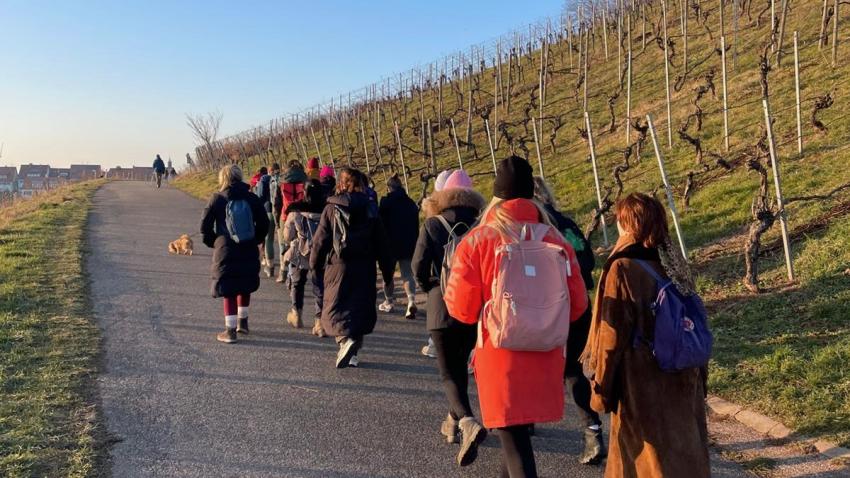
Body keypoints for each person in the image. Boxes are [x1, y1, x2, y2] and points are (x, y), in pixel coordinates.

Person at [444, 156, 588, 477]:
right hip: (547, 350)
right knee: (515, 437)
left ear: (497, 195)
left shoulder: (480, 239)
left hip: (500, 353)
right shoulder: (556, 239)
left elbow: (461, 309)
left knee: (515, 441)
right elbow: (578, 305)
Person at [581, 193, 709, 478]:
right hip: (685, 377)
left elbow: (609, 341)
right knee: (684, 457)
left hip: (642, 385)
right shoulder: (673, 263)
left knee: (644, 464)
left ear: (628, 225)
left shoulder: (622, 267)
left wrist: (601, 392)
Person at [412, 169, 486, 466]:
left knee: (448, 372)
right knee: (459, 367)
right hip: (472, 308)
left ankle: (467, 421)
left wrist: (430, 289)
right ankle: (452, 422)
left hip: (440, 306)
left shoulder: (433, 224)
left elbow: (419, 265)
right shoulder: (483, 224)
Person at [533, 177, 605, 465]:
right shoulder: (568, 224)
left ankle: (525, 420)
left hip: (541, 309)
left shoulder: (533, 230)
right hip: (576, 306)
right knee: (575, 370)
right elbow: (589, 261)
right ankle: (592, 429)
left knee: (532, 364)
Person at [310, 168, 392, 368]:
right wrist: (387, 272)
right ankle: (353, 352)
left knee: (337, 306)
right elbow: (382, 243)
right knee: (359, 306)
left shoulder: (331, 208)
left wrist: (315, 264)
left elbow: (320, 241)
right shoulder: (371, 209)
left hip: (338, 265)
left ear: (341, 183)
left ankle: (344, 341)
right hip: (364, 265)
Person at [200, 164, 269, 344]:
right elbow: (264, 223)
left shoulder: (217, 199)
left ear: (223, 179)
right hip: (248, 245)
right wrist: (256, 239)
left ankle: (230, 331)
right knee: (244, 283)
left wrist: (214, 241)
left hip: (225, 247)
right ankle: (243, 323)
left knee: (229, 288)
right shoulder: (252, 198)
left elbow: (204, 227)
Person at [282, 180, 326, 333]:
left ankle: (296, 314)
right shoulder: (328, 210)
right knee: (319, 286)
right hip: (320, 253)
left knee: (297, 283)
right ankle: (319, 322)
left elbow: (287, 236)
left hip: (300, 253)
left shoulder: (296, 210)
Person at [378, 174, 420, 319]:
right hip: (408, 243)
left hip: (389, 245)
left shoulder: (385, 203)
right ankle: (411, 301)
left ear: (389, 188)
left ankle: (389, 301)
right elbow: (416, 225)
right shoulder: (410, 203)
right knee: (407, 274)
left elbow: (380, 225)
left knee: (387, 275)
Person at [273, 161, 307, 283]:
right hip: (302, 214)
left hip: (285, 215)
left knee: (284, 243)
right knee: (300, 242)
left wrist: (277, 221)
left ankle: (283, 272)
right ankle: (298, 272)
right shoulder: (305, 179)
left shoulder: (281, 182)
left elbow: (277, 203)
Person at [254, 166, 277, 278]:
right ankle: (284, 269)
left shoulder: (264, 179)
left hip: (268, 210)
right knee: (283, 241)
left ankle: (270, 266)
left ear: (269, 171)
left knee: (269, 239)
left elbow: (260, 197)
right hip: (281, 211)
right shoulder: (281, 179)